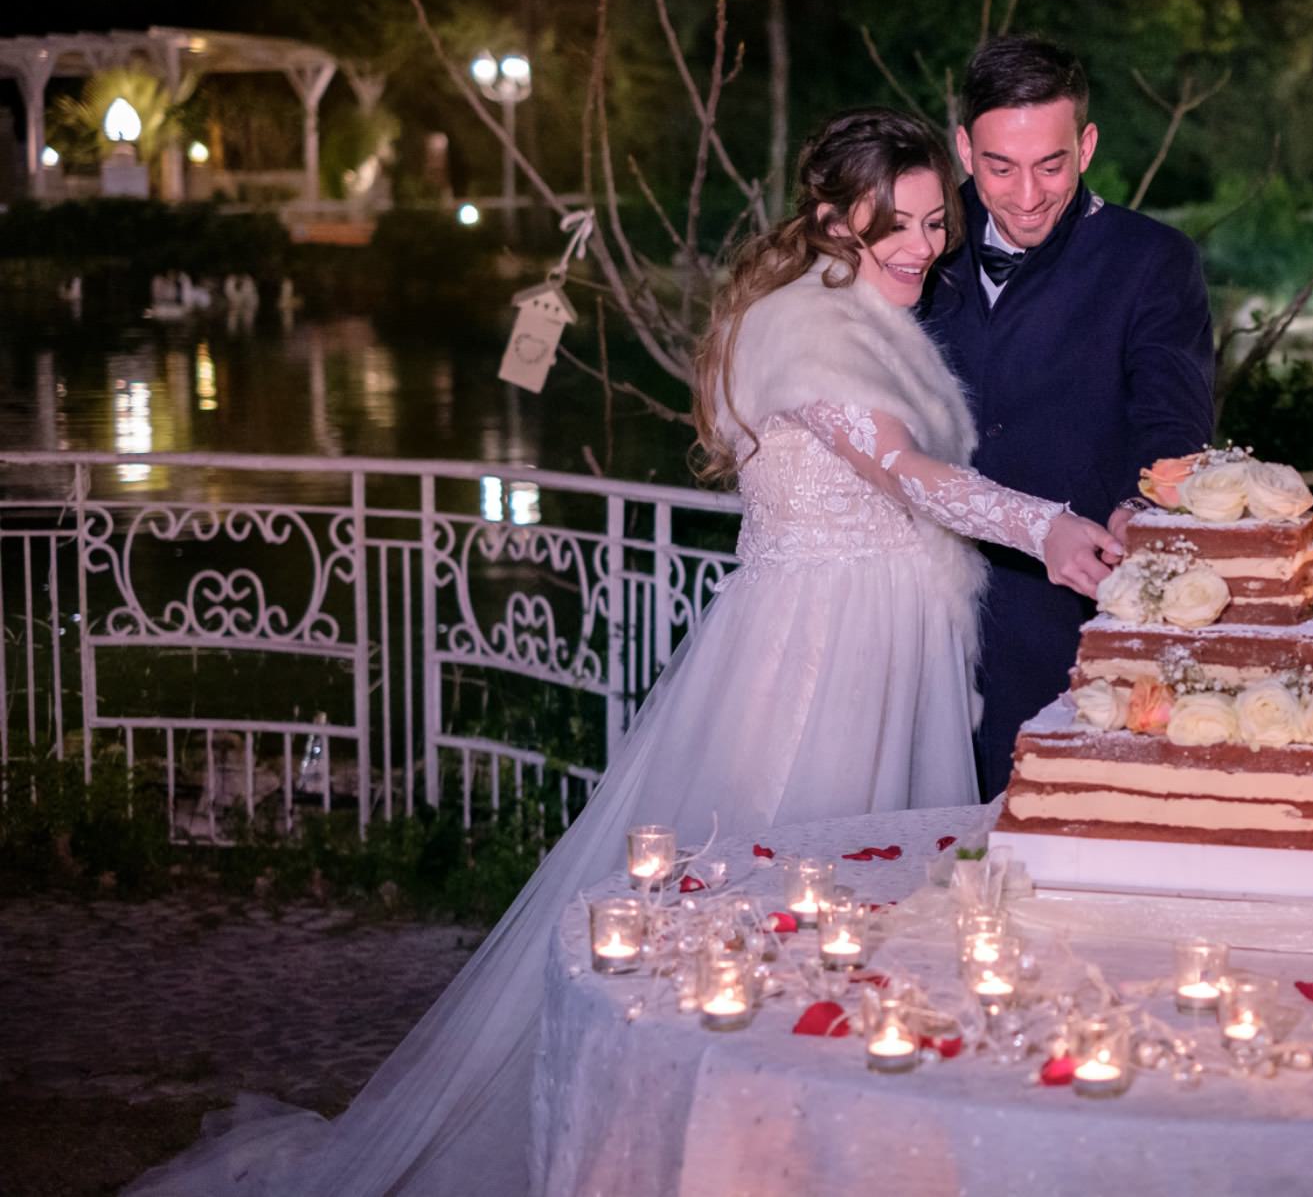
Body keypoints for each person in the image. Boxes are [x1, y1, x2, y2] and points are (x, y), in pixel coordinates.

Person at [126, 107, 1118, 1196]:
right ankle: (715, 1152)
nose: (922, 247)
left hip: (892, 643)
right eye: (897, 225)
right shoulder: (806, 330)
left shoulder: (868, 317)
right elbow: (905, 473)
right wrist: (1046, 526)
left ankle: (826, 1149)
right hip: (818, 661)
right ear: (835, 218)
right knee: (778, 907)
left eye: (934, 223)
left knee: (865, 923)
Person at [922, 35, 1216, 800]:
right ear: (964, 149)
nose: (1027, 195)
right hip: (912, 626)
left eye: (1050, 166)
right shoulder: (913, 242)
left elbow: (1173, 419)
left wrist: (1140, 506)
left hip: (1067, 633)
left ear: (1085, 146)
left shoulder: (1154, 260)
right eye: (999, 168)